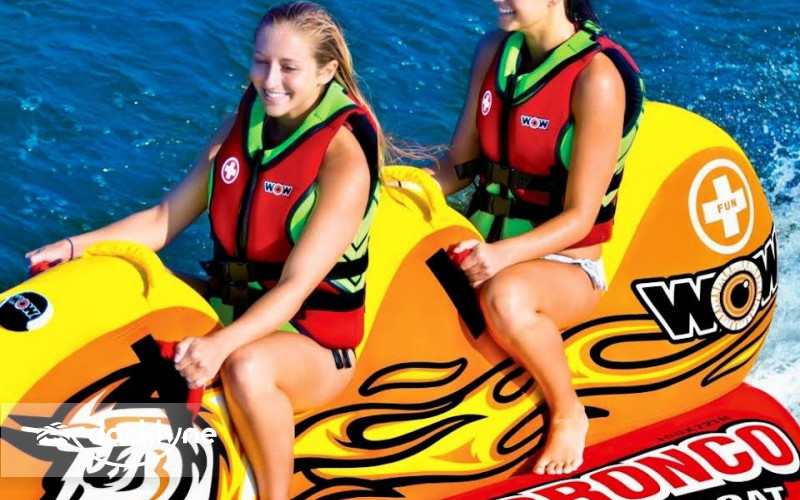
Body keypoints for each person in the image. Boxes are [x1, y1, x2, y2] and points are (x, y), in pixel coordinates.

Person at [26, 2, 384, 498]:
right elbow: (162, 220)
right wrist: (73, 248)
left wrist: (219, 347)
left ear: (325, 72)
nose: (270, 80)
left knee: (247, 368)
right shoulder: (240, 128)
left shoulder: (343, 159)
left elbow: (296, 287)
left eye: (289, 67)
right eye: (261, 61)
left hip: (311, 340)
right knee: (121, 279)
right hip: (228, 302)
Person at [428, 0, 644, 476]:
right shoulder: (493, 50)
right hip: (484, 244)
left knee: (505, 297)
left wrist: (501, 256)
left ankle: (568, 412)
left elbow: (581, 217)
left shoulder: (597, 78)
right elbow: (460, 165)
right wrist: (399, 191)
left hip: (565, 265)